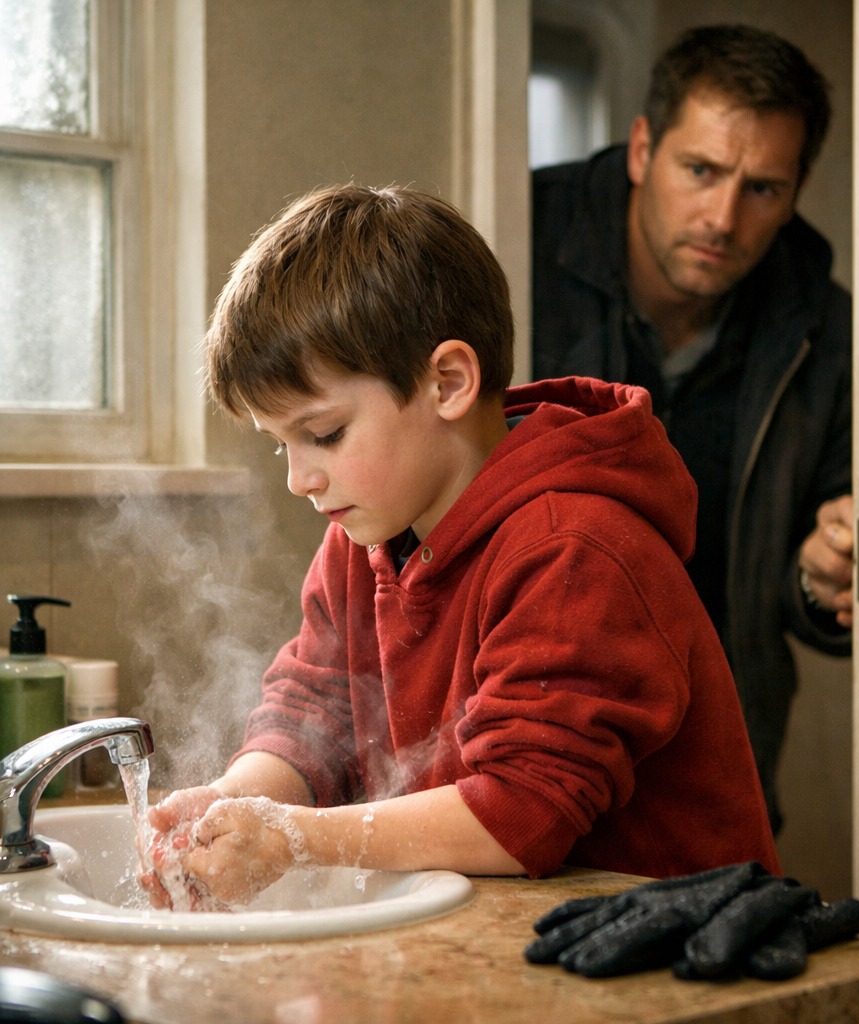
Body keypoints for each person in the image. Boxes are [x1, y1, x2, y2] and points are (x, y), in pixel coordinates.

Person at [140, 183, 779, 911]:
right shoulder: (368, 530)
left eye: (323, 435)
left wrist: (293, 838)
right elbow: (315, 710)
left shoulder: (574, 550)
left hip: (680, 959)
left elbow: (519, 814)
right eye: (280, 445)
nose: (299, 478)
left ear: (448, 382)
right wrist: (233, 806)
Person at [531, 24, 854, 833]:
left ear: (798, 189)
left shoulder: (822, 324)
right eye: (701, 170)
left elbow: (807, 574)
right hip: (531, 730)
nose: (722, 217)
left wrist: (824, 576)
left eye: (763, 189)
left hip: (720, 746)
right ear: (643, 148)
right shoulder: (517, 241)